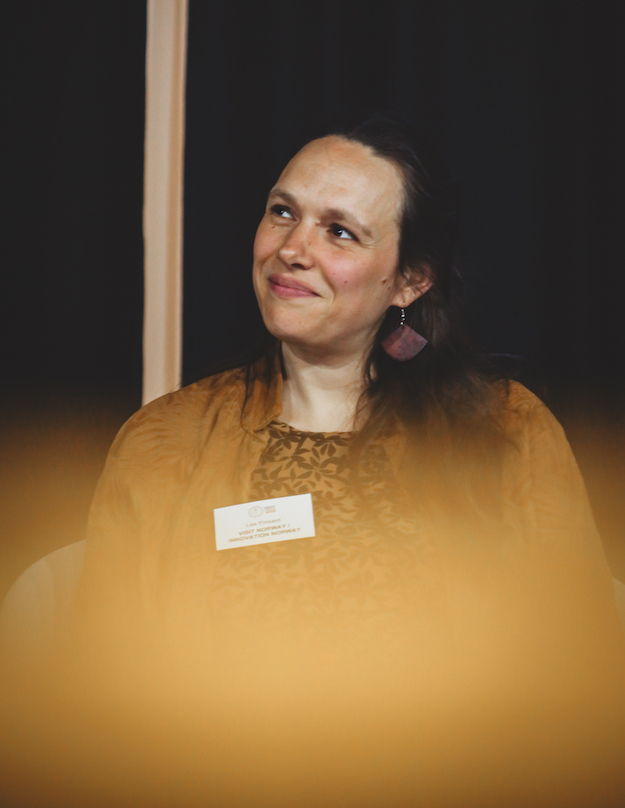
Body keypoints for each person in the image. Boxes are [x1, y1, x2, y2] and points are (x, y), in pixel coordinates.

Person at [69, 116, 623, 805]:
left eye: (339, 232)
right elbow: (105, 698)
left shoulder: (508, 434)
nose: (291, 250)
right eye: (282, 212)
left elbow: (579, 682)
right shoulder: (164, 442)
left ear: (409, 280)